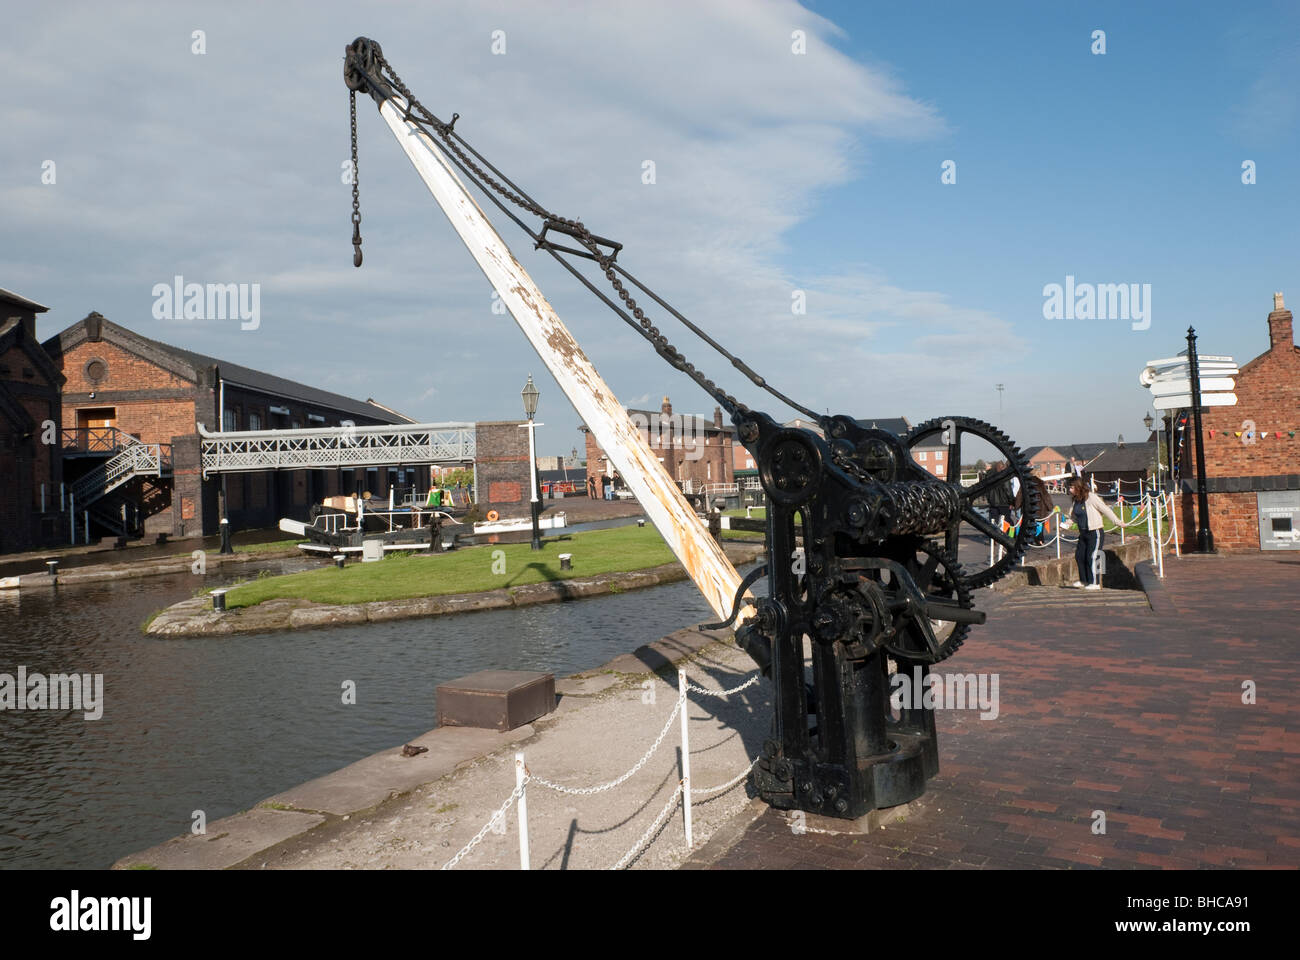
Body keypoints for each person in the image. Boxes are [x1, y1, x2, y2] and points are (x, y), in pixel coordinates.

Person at [1066, 477, 1121, 590]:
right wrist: (1067, 524)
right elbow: (1074, 517)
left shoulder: (1091, 497)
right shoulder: (1076, 500)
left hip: (1095, 532)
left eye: (1071, 487)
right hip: (1083, 532)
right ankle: (1084, 580)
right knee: (1080, 556)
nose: (1070, 490)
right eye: (1069, 487)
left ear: (1078, 486)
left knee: (1093, 556)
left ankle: (1095, 583)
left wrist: (1117, 522)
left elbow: (1105, 510)